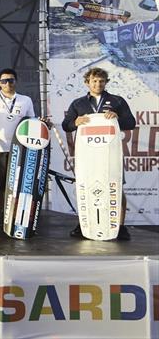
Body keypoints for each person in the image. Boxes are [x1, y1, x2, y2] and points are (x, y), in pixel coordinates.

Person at [61, 67, 134, 241]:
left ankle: (120, 226)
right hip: (87, 153)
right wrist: (75, 122)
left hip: (110, 152)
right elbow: (66, 125)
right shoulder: (78, 103)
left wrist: (117, 117)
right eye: (94, 81)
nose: (98, 84)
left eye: (101, 81)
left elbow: (131, 122)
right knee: (85, 186)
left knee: (116, 186)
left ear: (106, 82)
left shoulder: (117, 101)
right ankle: (85, 223)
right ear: (87, 82)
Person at [0, 68, 36, 235]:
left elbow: (31, 121)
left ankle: (17, 223)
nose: (7, 83)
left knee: (19, 189)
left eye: (10, 80)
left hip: (20, 149)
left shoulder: (25, 100)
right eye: (4, 81)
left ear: (15, 81)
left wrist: (43, 123)